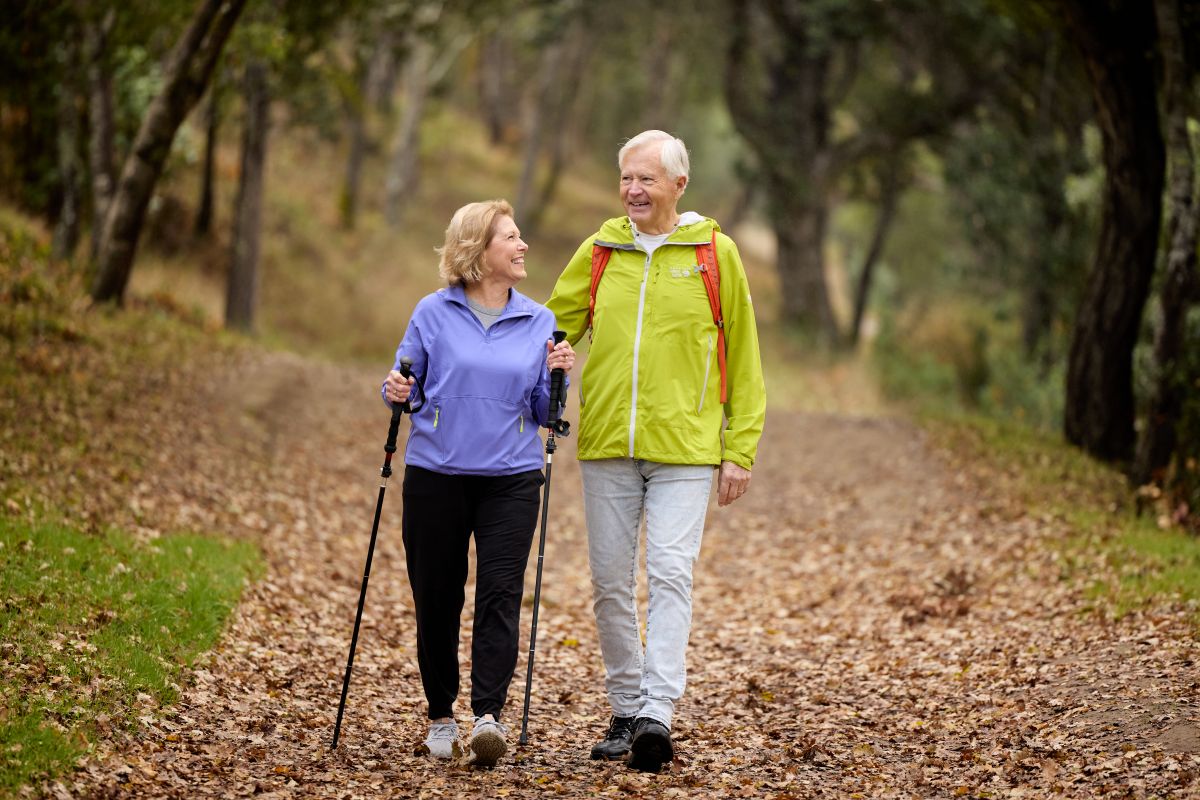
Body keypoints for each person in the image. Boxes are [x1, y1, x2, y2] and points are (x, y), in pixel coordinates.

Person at [546, 130, 765, 773]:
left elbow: (744, 355)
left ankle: (657, 714)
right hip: (609, 442)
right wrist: (539, 363)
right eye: (626, 178)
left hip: (688, 448)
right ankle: (623, 708)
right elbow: (549, 327)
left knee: (670, 573)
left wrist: (740, 447)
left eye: (646, 179)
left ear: (679, 185)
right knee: (610, 582)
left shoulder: (714, 254)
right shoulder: (601, 250)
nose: (634, 190)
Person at [382, 199, 575, 767]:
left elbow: (544, 411)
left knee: (498, 595)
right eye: (510, 238)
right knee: (436, 598)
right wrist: (394, 391)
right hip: (436, 475)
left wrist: (559, 375)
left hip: (512, 479)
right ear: (478, 251)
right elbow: (407, 383)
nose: (522, 247)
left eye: (520, 237)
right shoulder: (432, 312)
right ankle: (440, 716)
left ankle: (488, 715)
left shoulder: (539, 321)